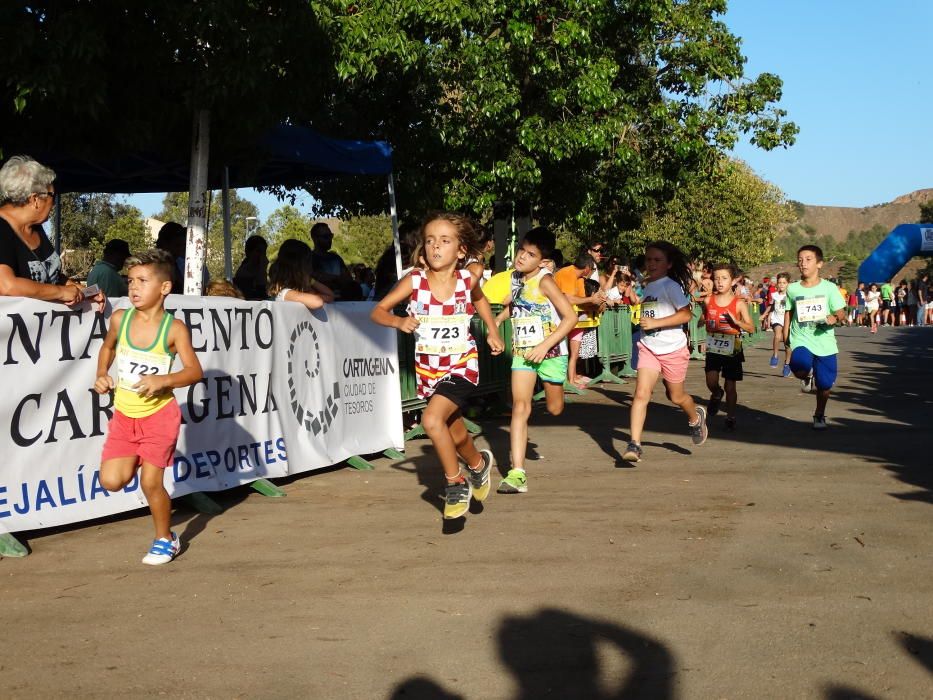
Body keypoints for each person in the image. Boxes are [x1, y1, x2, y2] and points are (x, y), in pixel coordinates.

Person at [370, 212, 504, 520]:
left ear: (459, 250)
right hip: (429, 369)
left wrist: (493, 331)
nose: (435, 247)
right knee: (454, 432)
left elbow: (480, 300)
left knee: (431, 421)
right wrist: (398, 320)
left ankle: (455, 481)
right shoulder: (413, 281)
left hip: (461, 365)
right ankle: (478, 465)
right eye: (430, 241)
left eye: (444, 241)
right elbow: (378, 311)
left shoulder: (466, 280)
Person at [94, 249, 204, 565]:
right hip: (125, 416)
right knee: (112, 481)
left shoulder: (174, 329)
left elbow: (194, 371)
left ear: (165, 288)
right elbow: (107, 347)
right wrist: (101, 375)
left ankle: (165, 539)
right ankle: (142, 456)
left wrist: (164, 380)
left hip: (159, 416)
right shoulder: (119, 318)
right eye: (130, 281)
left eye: (143, 281)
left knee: (150, 483)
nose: (133, 288)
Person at [495, 227, 576, 495]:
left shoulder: (545, 281)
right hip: (523, 352)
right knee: (520, 406)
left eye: (530, 255)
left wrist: (544, 346)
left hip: (550, 352)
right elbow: (517, 303)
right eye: (521, 251)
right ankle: (517, 473)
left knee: (555, 409)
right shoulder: (516, 278)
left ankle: (546, 400)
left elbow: (570, 317)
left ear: (542, 261)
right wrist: (496, 321)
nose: (522, 258)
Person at [622, 241, 708, 463]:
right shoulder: (647, 285)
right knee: (641, 394)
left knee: (675, 396)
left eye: (657, 260)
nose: (651, 264)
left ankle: (695, 417)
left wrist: (655, 322)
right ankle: (635, 444)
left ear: (669, 264)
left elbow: (686, 315)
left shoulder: (670, 286)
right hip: (649, 347)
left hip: (672, 349)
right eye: (648, 259)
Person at [0, 155, 104, 309]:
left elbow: (48, 274)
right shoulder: (3, 229)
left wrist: (81, 290)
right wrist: (60, 292)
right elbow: (6, 285)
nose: (54, 203)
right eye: (52, 196)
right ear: (35, 199)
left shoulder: (35, 226)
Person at [783, 245, 847, 430]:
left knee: (825, 385)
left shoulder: (829, 288)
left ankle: (819, 414)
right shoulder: (792, 289)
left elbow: (841, 314)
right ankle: (806, 375)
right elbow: (789, 312)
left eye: (808, 259)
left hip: (824, 341)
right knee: (800, 366)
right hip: (801, 338)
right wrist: (787, 338)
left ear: (819, 264)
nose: (803, 263)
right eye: (800, 259)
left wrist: (833, 318)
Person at [703, 263, 754, 431]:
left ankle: (730, 415)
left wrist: (737, 322)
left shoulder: (739, 304)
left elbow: (751, 327)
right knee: (711, 380)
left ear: (733, 281)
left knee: (730, 386)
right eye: (716, 278)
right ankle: (716, 393)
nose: (719, 282)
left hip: (732, 347)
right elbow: (703, 319)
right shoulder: (708, 300)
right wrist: (702, 322)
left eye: (724, 278)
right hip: (713, 347)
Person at [554, 253, 605, 387]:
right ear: (587, 268)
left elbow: (581, 300)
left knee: (574, 352)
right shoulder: (566, 273)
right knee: (564, 352)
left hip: (575, 320)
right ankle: (564, 380)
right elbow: (568, 298)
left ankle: (572, 379)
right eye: (593, 269)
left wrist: (597, 304)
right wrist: (591, 300)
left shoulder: (580, 279)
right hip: (560, 319)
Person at [267, 238, 334, 309]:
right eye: (308, 264)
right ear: (299, 270)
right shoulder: (285, 293)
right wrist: (309, 280)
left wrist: (311, 281)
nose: (310, 269)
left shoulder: (297, 294)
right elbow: (318, 302)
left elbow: (330, 296)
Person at [309, 222, 360, 300]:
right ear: (314, 238)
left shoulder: (336, 258)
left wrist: (329, 278)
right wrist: (337, 278)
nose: (330, 239)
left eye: (330, 236)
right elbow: (311, 278)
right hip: (321, 302)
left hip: (341, 302)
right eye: (326, 236)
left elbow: (348, 280)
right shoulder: (308, 258)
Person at [155, 221, 209, 294]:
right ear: (165, 243)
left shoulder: (182, 262)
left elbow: (204, 280)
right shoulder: (153, 265)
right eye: (178, 244)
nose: (182, 248)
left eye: (184, 244)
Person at [763, 272, 791, 376]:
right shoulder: (774, 295)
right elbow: (771, 306)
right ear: (777, 284)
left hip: (787, 320)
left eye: (784, 283)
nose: (781, 285)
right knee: (777, 335)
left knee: (787, 343)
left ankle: (787, 364)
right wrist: (765, 315)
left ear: (788, 283)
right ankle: (775, 355)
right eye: (780, 282)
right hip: (777, 319)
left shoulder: (790, 295)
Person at [232, 234, 268, 300]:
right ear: (248, 252)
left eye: (264, 252)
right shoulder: (243, 272)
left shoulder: (259, 269)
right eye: (258, 251)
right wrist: (262, 272)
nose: (261, 255)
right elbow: (259, 295)